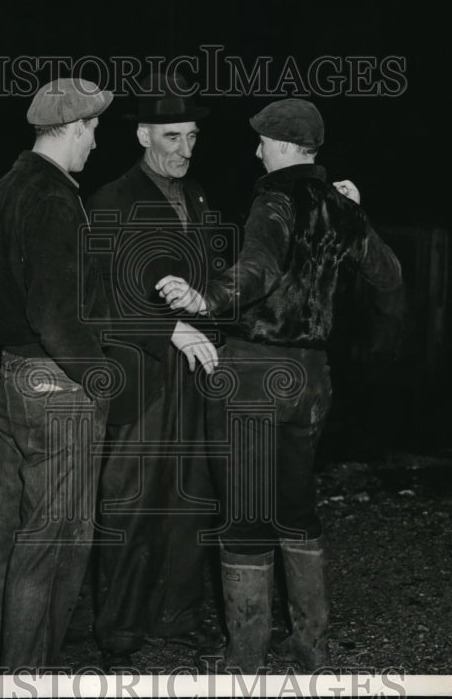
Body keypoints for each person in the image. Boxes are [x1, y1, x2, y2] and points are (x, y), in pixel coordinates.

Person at [157, 99, 402, 672]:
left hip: (252, 374)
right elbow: (388, 277)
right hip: (312, 378)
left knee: (245, 514)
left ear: (284, 145)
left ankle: (245, 657)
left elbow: (259, 268)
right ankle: (310, 647)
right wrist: (355, 217)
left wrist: (205, 299)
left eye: (263, 141)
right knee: (296, 508)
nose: (256, 150)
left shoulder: (273, 198)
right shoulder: (341, 206)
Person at [0, 77, 115, 669]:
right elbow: (54, 313)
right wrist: (98, 380)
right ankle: (27, 675)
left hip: (14, 377)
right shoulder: (53, 198)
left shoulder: (1, 191)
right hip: (57, 386)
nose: (95, 143)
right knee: (52, 544)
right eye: (93, 130)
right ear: (73, 128)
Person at [86, 73, 221, 669]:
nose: (184, 149)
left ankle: (179, 618)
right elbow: (96, 303)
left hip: (192, 380)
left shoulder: (197, 199)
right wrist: (166, 323)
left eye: (192, 136)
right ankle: (119, 629)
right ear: (142, 135)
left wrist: (205, 296)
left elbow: (214, 281)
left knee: (189, 501)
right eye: (171, 136)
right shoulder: (110, 201)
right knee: (130, 503)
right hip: (138, 380)